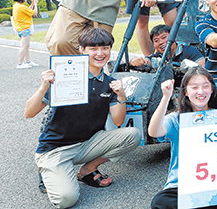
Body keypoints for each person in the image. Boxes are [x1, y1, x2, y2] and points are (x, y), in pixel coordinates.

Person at [24, 28, 141, 208]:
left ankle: (87, 170)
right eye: (93, 48)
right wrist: (43, 87)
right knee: (66, 200)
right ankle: (49, 170)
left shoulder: (109, 83)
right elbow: (29, 113)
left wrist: (121, 96)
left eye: (105, 48)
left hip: (87, 144)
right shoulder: (63, 76)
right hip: (55, 149)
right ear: (82, 50)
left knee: (132, 135)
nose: (100, 53)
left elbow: (118, 121)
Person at [149, 68, 217, 209]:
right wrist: (166, 97)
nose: (201, 92)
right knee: (160, 202)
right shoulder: (177, 119)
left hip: (216, 184)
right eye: (194, 87)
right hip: (182, 186)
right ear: (185, 91)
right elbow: (154, 131)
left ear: (212, 89)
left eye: (205, 86)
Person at [129, 24, 205, 68]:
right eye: (156, 40)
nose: (161, 42)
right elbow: (146, 61)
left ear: (173, 37)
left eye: (164, 37)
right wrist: (134, 62)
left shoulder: (190, 51)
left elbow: (202, 67)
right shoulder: (157, 58)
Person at [12, 0, 39, 68]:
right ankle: (20, 64)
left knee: (26, 46)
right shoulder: (21, 7)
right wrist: (36, 4)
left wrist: (33, 3)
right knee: (24, 46)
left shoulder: (17, 5)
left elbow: (28, 10)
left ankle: (28, 61)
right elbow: (34, 13)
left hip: (21, 28)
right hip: (25, 29)